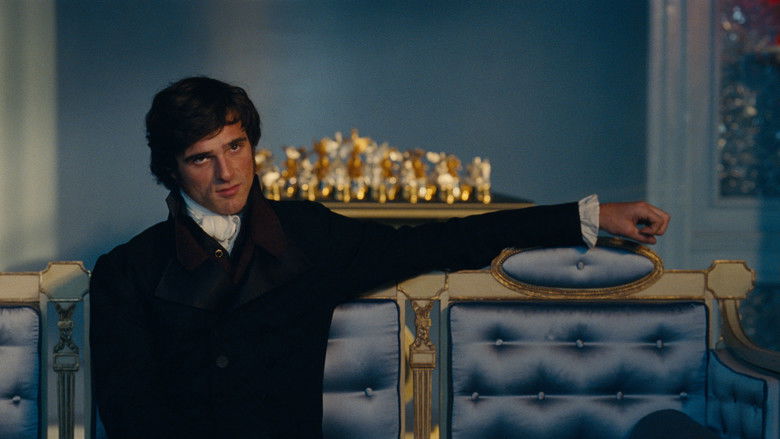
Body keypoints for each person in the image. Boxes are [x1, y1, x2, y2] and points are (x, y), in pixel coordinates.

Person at [89, 76, 670, 438]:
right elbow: (130, 417)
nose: (226, 172)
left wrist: (588, 216)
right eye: (202, 157)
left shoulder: (308, 236)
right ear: (171, 169)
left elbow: (442, 240)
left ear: (252, 145)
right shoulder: (127, 271)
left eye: (236, 146)